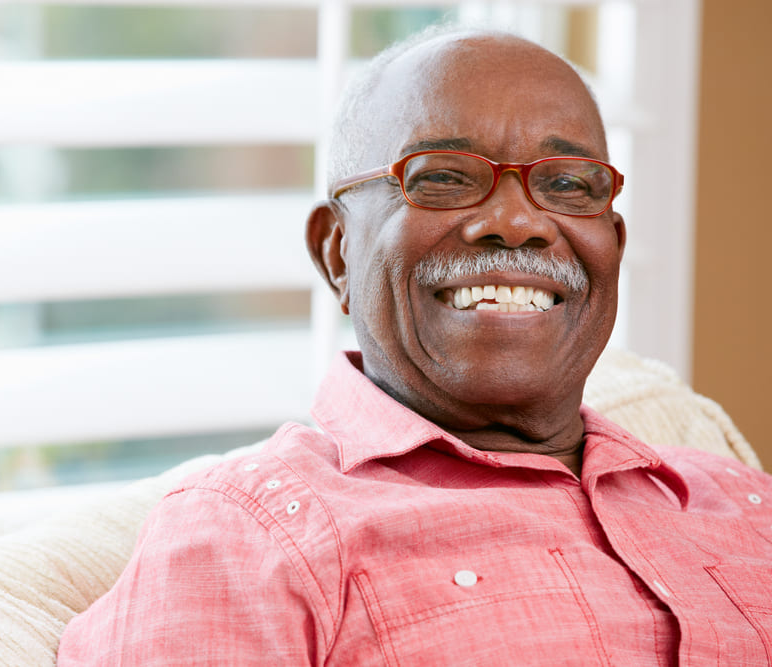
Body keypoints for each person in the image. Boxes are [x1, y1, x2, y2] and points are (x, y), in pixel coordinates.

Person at [57, 26, 772, 666]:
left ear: (612, 247)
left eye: (566, 184)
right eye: (444, 178)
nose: (518, 223)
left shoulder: (743, 498)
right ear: (336, 253)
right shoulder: (247, 537)